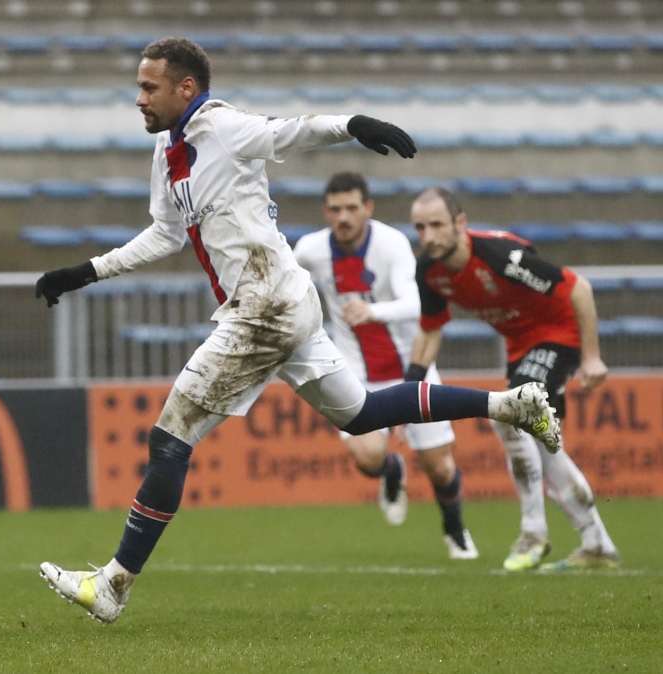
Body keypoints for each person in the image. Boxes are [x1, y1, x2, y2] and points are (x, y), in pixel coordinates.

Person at [34, 37, 560, 624]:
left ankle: (114, 584)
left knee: (169, 439)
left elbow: (291, 131)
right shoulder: (167, 154)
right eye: (138, 86)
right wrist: (85, 272)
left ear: (186, 88)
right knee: (361, 414)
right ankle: (509, 406)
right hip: (284, 300)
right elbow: (165, 233)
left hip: (264, 306)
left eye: (148, 87)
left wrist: (355, 124)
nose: (138, 98)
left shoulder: (222, 128)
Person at [408, 187, 621, 572]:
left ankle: (534, 533)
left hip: (560, 335)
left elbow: (580, 288)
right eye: (420, 228)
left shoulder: (500, 257)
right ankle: (598, 544)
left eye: (437, 225)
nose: (428, 236)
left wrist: (591, 358)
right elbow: (430, 329)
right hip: (521, 347)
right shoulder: (430, 271)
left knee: (506, 418)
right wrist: (412, 383)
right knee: (544, 444)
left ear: (460, 223)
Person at [293, 172, 477, 560]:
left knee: (441, 469)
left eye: (352, 208)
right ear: (326, 211)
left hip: (414, 364)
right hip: (355, 371)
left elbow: (417, 304)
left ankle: (455, 527)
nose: (344, 217)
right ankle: (392, 470)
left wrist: (372, 310)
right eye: (336, 209)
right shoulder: (309, 250)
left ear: (368, 209)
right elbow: (284, 284)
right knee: (367, 458)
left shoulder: (391, 242)